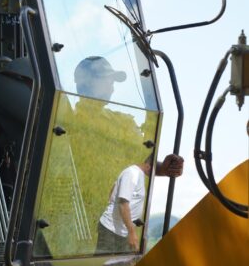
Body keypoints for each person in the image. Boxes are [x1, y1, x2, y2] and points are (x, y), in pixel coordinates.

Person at [73, 56, 184, 253]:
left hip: (117, 225)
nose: (112, 87)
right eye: (107, 81)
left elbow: (140, 162)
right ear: (88, 83)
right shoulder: (68, 122)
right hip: (85, 223)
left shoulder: (120, 122)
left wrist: (163, 168)